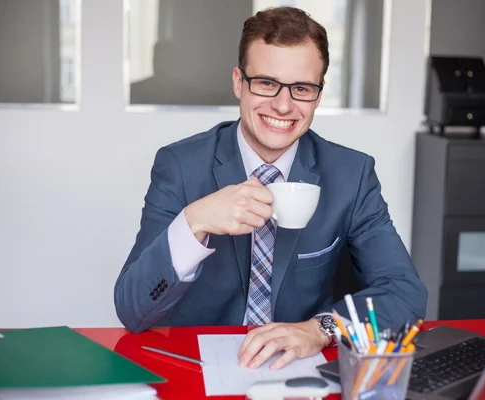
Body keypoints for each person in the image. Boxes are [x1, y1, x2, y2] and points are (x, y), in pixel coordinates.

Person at [114, 6, 427, 371]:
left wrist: (321, 329)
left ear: (319, 94)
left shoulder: (351, 174)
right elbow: (132, 310)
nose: (283, 104)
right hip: (199, 368)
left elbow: (405, 292)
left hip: (301, 370)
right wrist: (193, 222)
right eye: (266, 83)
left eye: (301, 88)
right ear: (238, 82)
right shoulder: (180, 167)